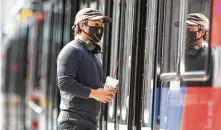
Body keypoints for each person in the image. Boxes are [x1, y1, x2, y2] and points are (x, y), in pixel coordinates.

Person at [57, 8, 117, 130]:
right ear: (82, 25)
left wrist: (103, 91)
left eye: (101, 25)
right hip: (73, 124)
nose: (99, 29)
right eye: (95, 24)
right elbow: (64, 83)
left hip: (88, 124)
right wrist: (95, 94)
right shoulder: (71, 50)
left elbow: (88, 85)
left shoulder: (92, 54)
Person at [182, 13, 213, 86]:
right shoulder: (184, 54)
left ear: (202, 32)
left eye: (189, 29)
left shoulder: (210, 56)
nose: (185, 33)